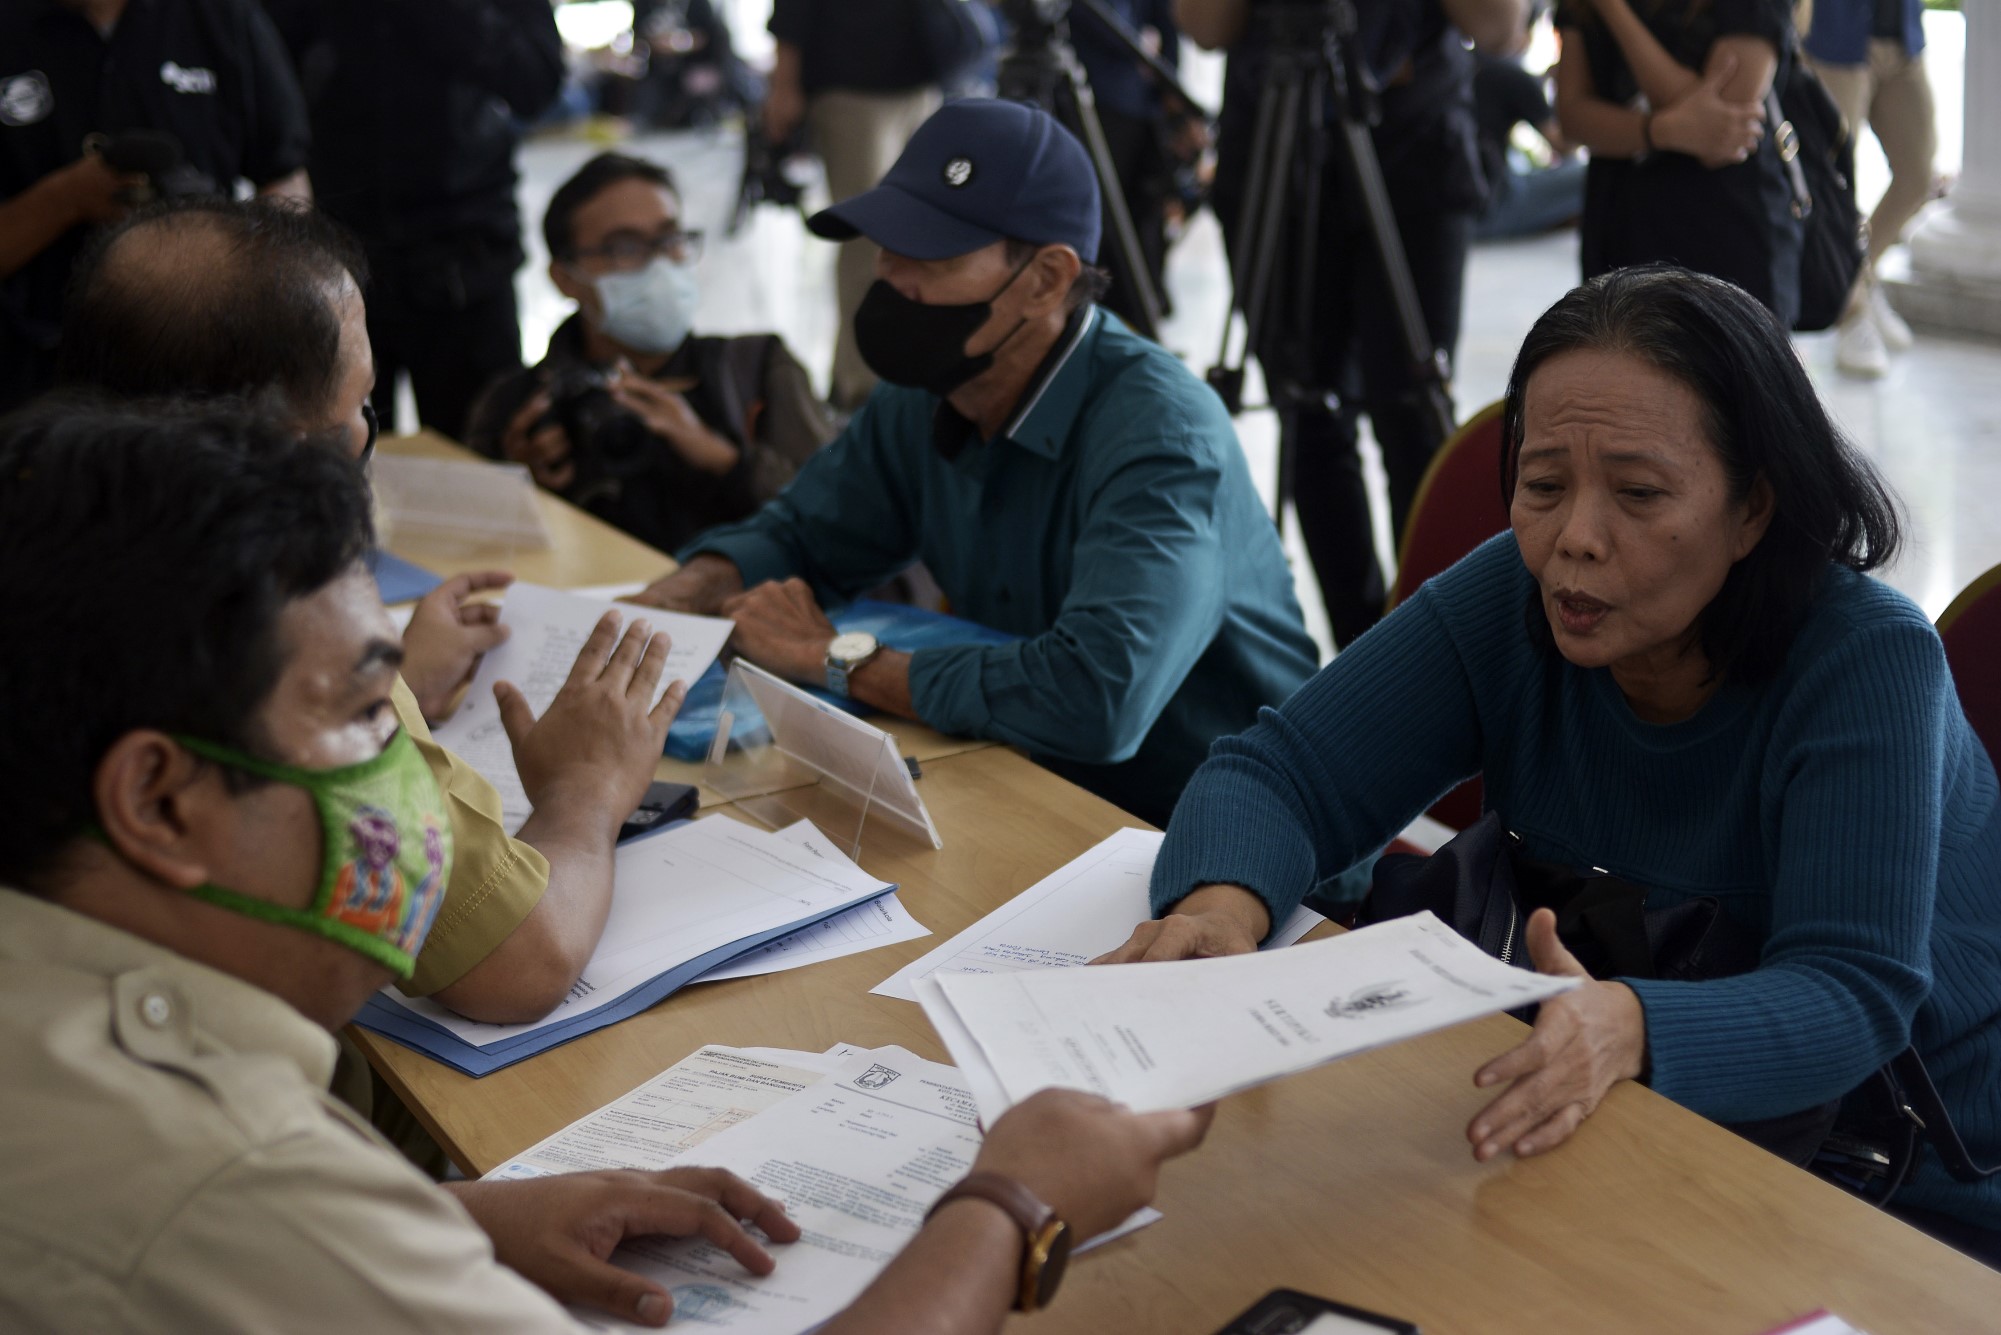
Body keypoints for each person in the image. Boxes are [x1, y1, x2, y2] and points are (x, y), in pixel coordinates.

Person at [0, 398, 1214, 1332]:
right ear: (158, 798)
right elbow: (220, 1215)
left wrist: (442, 1221)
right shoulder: (226, 1178)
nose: (410, 772)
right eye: (372, 710)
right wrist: (1012, 1206)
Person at [1100, 266, 2001, 1264]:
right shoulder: (1518, 597)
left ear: (1752, 509)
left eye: (1640, 493)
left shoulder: (1864, 659)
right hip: (1636, 1114)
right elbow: (1283, 774)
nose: (1573, 539)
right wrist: (1225, 909)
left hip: (1907, 1176)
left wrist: (1633, 1027)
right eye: (1541, 486)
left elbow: (1853, 994)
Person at [54, 196, 678, 1030]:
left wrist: (402, 676)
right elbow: (521, 962)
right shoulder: (277, 614)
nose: (363, 435)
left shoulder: (50, 536)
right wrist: (586, 791)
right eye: (360, 404)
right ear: (289, 445)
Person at [634, 98, 1317, 827]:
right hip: (1033, 785)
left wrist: (838, 658)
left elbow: (1096, 697)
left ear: (1047, 279)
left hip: (1223, 831)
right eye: (886, 244)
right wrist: (686, 591)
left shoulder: (1162, 434)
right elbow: (806, 534)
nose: (890, 278)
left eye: (931, 254)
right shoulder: (929, 390)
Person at [1178, 0, 1526, 648]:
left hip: (1413, 141)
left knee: (1411, 410)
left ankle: (1444, 653)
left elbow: (1500, 30)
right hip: (1273, 135)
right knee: (1306, 412)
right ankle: (1361, 654)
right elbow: (1204, 27)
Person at [465, 152, 832, 556]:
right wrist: (520, 489)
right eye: (625, 247)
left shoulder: (756, 369)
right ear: (565, 277)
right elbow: (471, 549)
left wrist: (722, 460)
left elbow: (840, 516)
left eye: (671, 239)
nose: (659, 263)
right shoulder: (518, 404)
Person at [260, 0, 564, 441]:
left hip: (465, 260)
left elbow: (536, 83)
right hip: (340, 261)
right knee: (342, 459)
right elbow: (266, 81)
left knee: (480, 461)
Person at [0, 0, 311, 412]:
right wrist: (68, 198)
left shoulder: (223, 18)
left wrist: (260, 284)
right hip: (32, 374)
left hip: (201, 362)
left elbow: (287, 179)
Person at [1552, 0, 1798, 324]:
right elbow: (1572, 118)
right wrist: (1661, 131)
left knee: (1730, 367)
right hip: (1620, 228)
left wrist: (1614, 10)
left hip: (1727, 232)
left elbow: (1720, 127)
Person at [764, 0, 954, 411]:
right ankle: (861, 385)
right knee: (869, 244)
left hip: (921, 80)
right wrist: (784, 84)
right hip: (852, 85)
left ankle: (880, 373)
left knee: (920, 237)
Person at [1802, 0, 1936, 378]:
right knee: (1835, 184)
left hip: (1902, 36)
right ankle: (1851, 313)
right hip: (1836, 40)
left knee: (1918, 175)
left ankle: (1860, 279)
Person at [1069, 0, 1187, 324]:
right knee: (1100, 226)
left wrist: (1171, 93)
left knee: (1136, 220)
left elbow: (1164, 21)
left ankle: (1134, 319)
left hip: (1134, 105)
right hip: (1094, 98)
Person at [1472, 43, 1587, 240]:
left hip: (1449, 206)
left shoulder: (1460, 63)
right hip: (1487, 210)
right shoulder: (1512, 75)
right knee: (1587, 174)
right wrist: (1566, 87)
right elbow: (1565, 144)